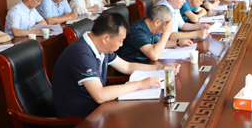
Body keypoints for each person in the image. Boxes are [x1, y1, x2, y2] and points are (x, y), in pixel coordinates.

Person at [52, 13, 182, 118]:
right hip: (80, 119)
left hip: (97, 110)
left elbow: (127, 67)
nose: (121, 45)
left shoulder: (100, 47)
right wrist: (139, 84)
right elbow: (100, 95)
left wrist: (160, 68)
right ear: (105, 38)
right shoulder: (81, 54)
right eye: (120, 41)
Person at [118, 5, 193, 63]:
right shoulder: (138, 31)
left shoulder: (149, 27)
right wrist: (166, 33)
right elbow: (154, 56)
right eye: (166, 25)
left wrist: (178, 42)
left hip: (146, 65)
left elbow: (160, 43)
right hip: (133, 72)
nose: (167, 27)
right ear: (157, 22)